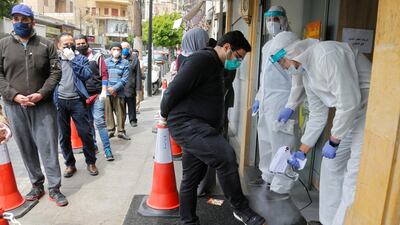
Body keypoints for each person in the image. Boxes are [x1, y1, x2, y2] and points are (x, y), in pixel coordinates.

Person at [161, 30, 266, 225]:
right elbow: (172, 91)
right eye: (239, 57)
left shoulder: (218, 64)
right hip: (187, 124)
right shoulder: (202, 60)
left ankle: (188, 221)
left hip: (201, 126)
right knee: (226, 156)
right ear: (227, 47)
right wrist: (164, 115)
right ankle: (241, 210)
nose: (239, 62)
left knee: (192, 178)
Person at [270, 31, 371, 225]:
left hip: (370, 110)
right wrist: (302, 151)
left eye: (283, 62)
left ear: (293, 52)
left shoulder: (326, 54)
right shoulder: (307, 74)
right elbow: (317, 115)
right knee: (330, 168)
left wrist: (334, 140)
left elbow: (349, 101)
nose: (285, 68)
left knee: (353, 176)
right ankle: (328, 221)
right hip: (351, 117)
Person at [0, 4, 67, 206]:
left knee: (48, 146)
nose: (20, 23)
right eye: (16, 19)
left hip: (43, 106)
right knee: (26, 147)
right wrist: (14, 95)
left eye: (24, 19)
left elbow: (56, 73)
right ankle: (36, 184)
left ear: (32, 22)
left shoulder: (46, 45)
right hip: (14, 106)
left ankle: (54, 188)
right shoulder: (3, 45)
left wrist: (41, 93)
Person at [250, 6, 304, 188]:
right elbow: (265, 78)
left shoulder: (292, 41)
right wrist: (259, 97)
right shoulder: (267, 47)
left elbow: (298, 76)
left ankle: (282, 186)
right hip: (267, 100)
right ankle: (268, 177)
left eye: (276, 19)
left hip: (282, 100)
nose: (272, 23)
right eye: (269, 19)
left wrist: (291, 105)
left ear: (285, 20)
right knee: (265, 140)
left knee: (282, 144)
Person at [55, 32, 98, 177]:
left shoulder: (80, 59)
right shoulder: (55, 60)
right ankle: (69, 164)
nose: (68, 45)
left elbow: (86, 75)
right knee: (64, 136)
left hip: (77, 101)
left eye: (70, 42)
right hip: (60, 101)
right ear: (59, 46)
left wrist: (73, 59)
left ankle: (91, 162)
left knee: (85, 133)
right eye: (65, 44)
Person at [75, 35, 114, 161]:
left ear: (87, 43)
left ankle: (107, 149)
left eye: (83, 43)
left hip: (96, 95)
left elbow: (104, 74)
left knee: (99, 122)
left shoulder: (97, 56)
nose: (81, 45)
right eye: (78, 44)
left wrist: (104, 91)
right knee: (88, 123)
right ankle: (93, 146)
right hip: (82, 97)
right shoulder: (74, 57)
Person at [105, 42, 130, 140]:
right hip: (107, 91)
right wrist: (109, 89)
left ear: (121, 50)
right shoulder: (106, 62)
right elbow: (103, 76)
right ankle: (110, 130)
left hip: (119, 92)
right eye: (114, 49)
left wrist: (114, 89)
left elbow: (124, 79)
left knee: (121, 113)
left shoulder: (125, 62)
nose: (116, 51)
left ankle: (121, 131)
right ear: (110, 51)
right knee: (108, 112)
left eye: (118, 49)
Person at [121, 42, 142, 127]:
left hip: (130, 86)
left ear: (130, 49)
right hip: (120, 87)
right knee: (120, 106)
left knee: (132, 105)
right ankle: (121, 121)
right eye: (123, 48)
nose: (125, 49)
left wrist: (138, 88)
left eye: (126, 47)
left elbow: (138, 74)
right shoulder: (118, 59)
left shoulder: (134, 59)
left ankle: (133, 120)